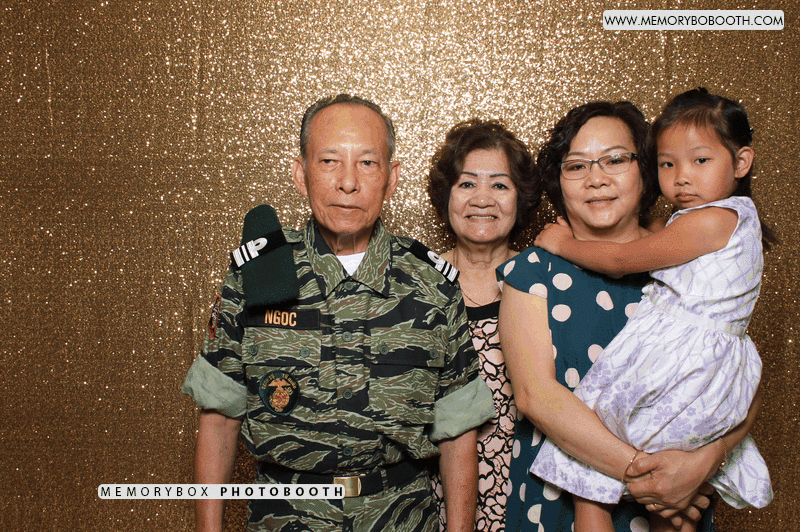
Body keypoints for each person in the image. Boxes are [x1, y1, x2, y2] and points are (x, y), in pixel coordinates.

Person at [182, 94, 495, 532]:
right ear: (301, 174)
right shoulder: (257, 275)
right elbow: (219, 421)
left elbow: (457, 433)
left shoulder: (432, 284)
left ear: (391, 178)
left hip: (401, 518)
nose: (348, 182)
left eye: (367, 163)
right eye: (329, 161)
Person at [497, 100, 764, 532]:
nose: (597, 178)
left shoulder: (690, 261)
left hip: (682, 492)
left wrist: (702, 463)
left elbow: (737, 381)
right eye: (576, 166)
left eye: (616, 160)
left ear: (644, 170)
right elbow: (536, 396)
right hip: (570, 501)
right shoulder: (535, 270)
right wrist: (654, 478)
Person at [425, 119, 539, 531]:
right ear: (447, 196)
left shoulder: (544, 283)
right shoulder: (415, 284)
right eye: (467, 183)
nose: (482, 199)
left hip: (531, 498)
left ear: (520, 199)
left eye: (500, 185)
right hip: (431, 504)